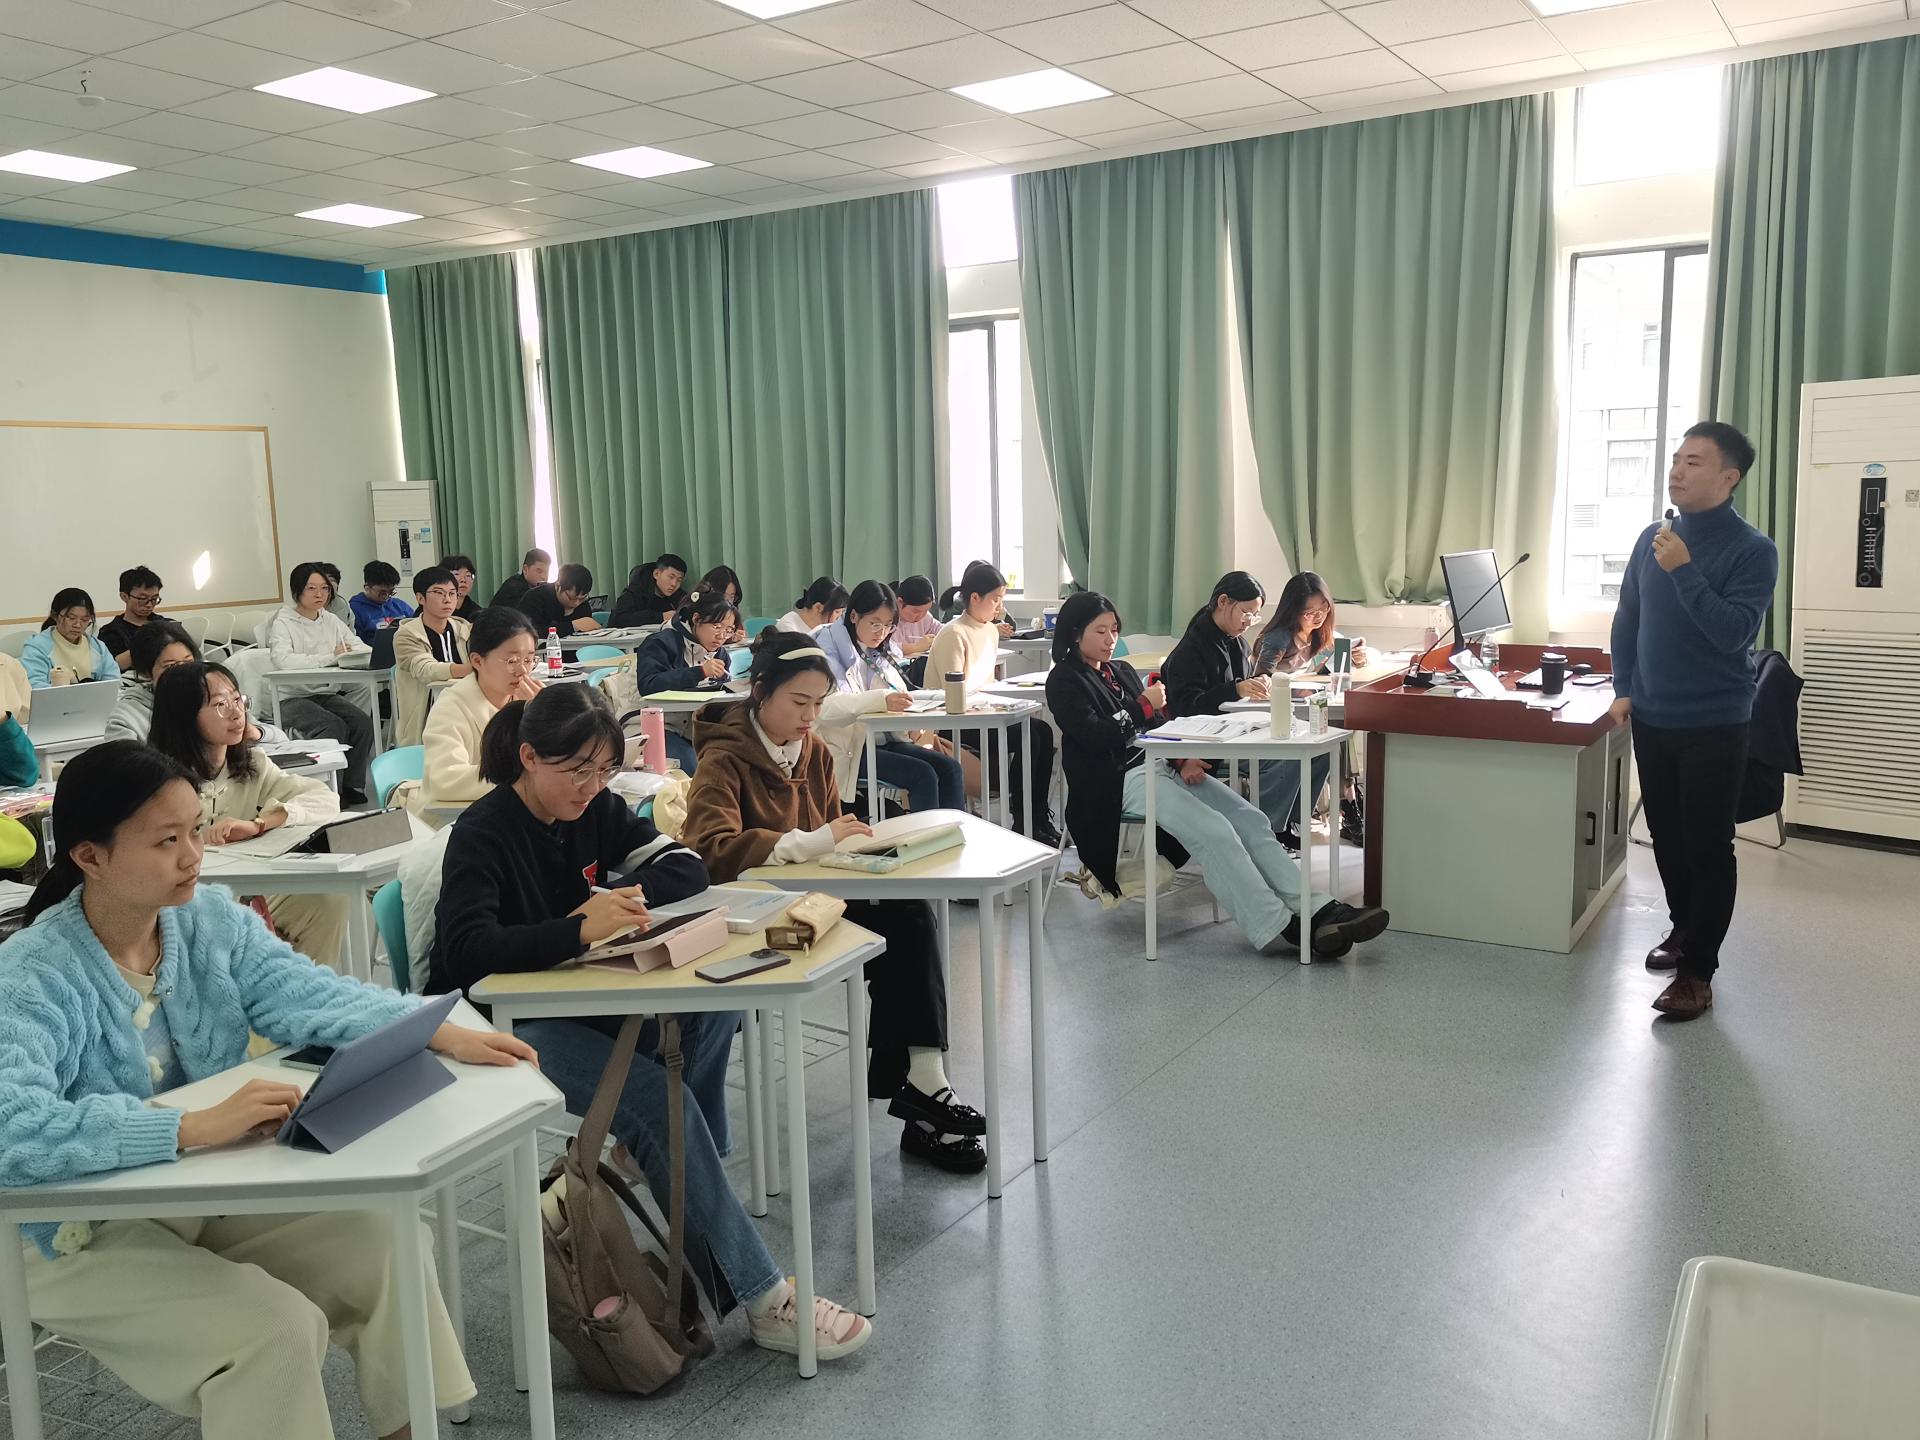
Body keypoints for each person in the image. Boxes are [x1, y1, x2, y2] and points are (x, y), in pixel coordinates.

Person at [0, 741, 532, 1440]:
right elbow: (12, 1128)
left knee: (383, 1242)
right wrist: (188, 1128)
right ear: (89, 857)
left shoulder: (205, 920)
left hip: (193, 1194)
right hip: (68, 1233)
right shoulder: (31, 974)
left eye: (195, 831)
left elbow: (304, 992)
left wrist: (436, 1030)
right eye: (166, 841)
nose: (194, 856)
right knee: (275, 1331)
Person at [426, 684, 871, 1361]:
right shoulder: (483, 832)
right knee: (660, 1105)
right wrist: (576, 929)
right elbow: (465, 953)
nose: (591, 787)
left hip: (577, 995)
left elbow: (686, 865)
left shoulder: (594, 808)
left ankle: (671, 1162)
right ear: (528, 757)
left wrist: (623, 898)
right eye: (577, 770)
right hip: (499, 1026)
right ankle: (762, 1299)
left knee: (715, 1008)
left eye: (604, 771)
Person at [682, 632, 986, 1173]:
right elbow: (710, 852)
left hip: (813, 902)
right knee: (903, 930)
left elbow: (827, 843)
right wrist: (812, 843)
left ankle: (925, 1082)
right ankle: (922, 1098)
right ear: (760, 692)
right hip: (752, 919)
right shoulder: (723, 758)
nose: (810, 717)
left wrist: (862, 853)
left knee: (909, 913)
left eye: (820, 704)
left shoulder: (815, 750)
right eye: (799, 702)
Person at [1047, 592, 1387, 958]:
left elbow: (1157, 727)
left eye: (1115, 630)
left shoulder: (1122, 672)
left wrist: (1182, 759)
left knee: (1250, 819)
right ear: (1075, 633)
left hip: (1159, 763)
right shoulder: (1063, 681)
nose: (1111, 639)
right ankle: (1280, 924)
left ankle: (1317, 908)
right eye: (1100, 631)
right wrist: (1143, 704)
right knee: (1214, 831)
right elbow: (1095, 736)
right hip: (1115, 781)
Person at [1610, 421, 1779, 1022]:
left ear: (1729, 478)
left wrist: (1684, 569)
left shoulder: (1753, 550)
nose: (1677, 470)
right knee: (1667, 836)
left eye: (1694, 462)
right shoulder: (1652, 538)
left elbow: (1732, 632)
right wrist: (1623, 687)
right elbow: (1628, 617)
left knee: (1707, 845)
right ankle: (1685, 930)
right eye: (1677, 458)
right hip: (1653, 717)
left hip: (1715, 722)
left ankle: (1697, 973)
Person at [149, 662, 351, 970]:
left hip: (245, 895)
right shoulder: (158, 782)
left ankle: (303, 991)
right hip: (179, 905)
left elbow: (324, 799)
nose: (236, 713)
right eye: (220, 705)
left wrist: (260, 824)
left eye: (238, 700)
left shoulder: (252, 764)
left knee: (327, 899)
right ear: (184, 716)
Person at [926, 560, 1059, 845]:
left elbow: (984, 683)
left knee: (1042, 731)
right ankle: (1024, 819)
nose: (1000, 606)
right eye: (996, 599)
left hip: (982, 713)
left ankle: (1037, 816)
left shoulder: (989, 630)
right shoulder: (953, 633)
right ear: (975, 598)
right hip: (951, 719)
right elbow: (954, 691)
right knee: (1029, 736)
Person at [818, 580, 965, 817]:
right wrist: (882, 699)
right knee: (923, 774)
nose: (882, 632)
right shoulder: (827, 651)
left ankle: (953, 833)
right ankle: (926, 838)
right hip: (849, 748)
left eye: (888, 626)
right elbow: (825, 708)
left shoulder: (874, 649)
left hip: (882, 739)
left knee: (950, 768)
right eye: (875, 623)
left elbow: (895, 688)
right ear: (854, 616)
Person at [1249, 572, 1368, 849]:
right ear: (1293, 610)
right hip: (1277, 717)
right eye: (1309, 612)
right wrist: (1294, 688)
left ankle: (1347, 802)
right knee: (1335, 731)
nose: (1318, 617)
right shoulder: (1279, 637)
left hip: (1306, 713)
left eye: (1323, 609)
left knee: (1338, 730)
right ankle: (1349, 804)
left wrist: (1359, 657)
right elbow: (1260, 682)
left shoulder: (1321, 634)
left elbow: (1346, 653)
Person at [265, 562, 374, 806]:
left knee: (361, 722)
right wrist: (330, 657)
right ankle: (330, 791)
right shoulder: (284, 621)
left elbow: (357, 645)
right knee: (332, 726)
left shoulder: (330, 619)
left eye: (324, 588)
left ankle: (351, 785)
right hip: (290, 698)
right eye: (311, 588)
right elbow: (283, 660)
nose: (319, 594)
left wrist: (362, 653)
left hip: (324, 693)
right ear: (297, 591)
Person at [415, 606, 542, 816]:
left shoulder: (530, 701)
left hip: (514, 810)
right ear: (477, 661)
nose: (522, 671)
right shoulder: (451, 707)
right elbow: (445, 779)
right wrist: (524, 778)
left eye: (528, 660)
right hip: (455, 819)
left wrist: (543, 718)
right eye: (512, 661)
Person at [630, 592, 740, 773]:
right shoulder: (661, 643)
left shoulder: (719, 653)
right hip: (655, 724)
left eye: (729, 630)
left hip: (694, 726)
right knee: (694, 767)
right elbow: (649, 685)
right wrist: (699, 672)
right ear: (696, 619)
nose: (722, 636)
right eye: (717, 626)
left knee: (735, 757)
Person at [1163, 571, 1271, 721]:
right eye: (1246, 613)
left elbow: (1241, 682)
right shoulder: (1191, 650)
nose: (1248, 623)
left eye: (1254, 616)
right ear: (1223, 601)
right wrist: (1236, 690)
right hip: (1201, 731)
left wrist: (1258, 682)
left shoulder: (1239, 644)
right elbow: (1187, 708)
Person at [391, 565, 472, 748]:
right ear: (420, 598)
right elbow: (426, 670)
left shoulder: (464, 630)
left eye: (452, 593)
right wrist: (474, 668)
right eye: (438, 593)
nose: (447, 600)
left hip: (465, 709)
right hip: (426, 718)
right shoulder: (406, 635)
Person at [105, 620, 195, 743]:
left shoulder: (209, 699)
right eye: (170, 666)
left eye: (188, 662)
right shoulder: (126, 719)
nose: (183, 672)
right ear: (146, 672)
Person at [22, 588, 118, 688]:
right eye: (71, 618)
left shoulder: (97, 647)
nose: (78, 625)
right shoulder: (37, 647)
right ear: (55, 616)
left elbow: (114, 681)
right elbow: (34, 685)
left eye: (85, 620)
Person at [98, 566, 169, 670]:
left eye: (154, 599)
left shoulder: (165, 624)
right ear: (124, 597)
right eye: (143, 598)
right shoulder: (111, 632)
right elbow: (111, 667)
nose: (149, 605)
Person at [520, 562, 601, 636]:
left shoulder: (582, 604)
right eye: (571, 598)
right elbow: (532, 632)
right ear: (557, 586)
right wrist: (572, 626)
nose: (576, 603)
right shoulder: (534, 598)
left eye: (582, 599)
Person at [611, 553, 687, 627]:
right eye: (671, 577)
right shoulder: (635, 590)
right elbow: (618, 619)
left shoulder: (679, 595)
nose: (674, 584)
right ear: (656, 574)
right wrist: (661, 617)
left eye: (679, 580)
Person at [347, 560, 414, 644]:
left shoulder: (400, 606)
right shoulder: (355, 610)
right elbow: (355, 643)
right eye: (382, 592)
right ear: (367, 588)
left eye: (391, 592)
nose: (386, 596)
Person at [776, 577, 849, 635]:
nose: (839, 617)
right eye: (837, 612)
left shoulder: (828, 631)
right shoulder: (788, 627)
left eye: (842, 612)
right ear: (818, 607)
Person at [444, 553, 485, 623]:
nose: (463, 580)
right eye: (456, 574)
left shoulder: (477, 613)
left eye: (468, 575)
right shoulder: (435, 610)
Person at [316, 561, 356, 629]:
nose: (328, 583)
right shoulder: (307, 605)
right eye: (324, 579)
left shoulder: (342, 605)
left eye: (332, 580)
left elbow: (350, 632)